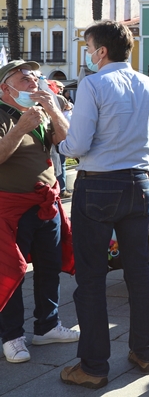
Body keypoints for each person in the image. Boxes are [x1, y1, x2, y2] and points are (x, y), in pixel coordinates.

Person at [57, 21, 149, 389]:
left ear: (101, 51)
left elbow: (77, 145)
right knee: (139, 270)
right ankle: (145, 349)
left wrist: (61, 147)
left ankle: (93, 366)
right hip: (138, 183)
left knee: (91, 276)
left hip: (99, 185)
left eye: (90, 49)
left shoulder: (93, 84)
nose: (89, 55)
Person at [0, 60, 78, 365]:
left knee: (50, 265)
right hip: (11, 208)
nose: (32, 80)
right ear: (5, 88)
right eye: (23, 77)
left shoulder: (42, 110)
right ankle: (12, 336)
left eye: (34, 76)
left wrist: (54, 109)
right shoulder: (4, 115)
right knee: (13, 272)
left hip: (46, 203)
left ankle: (47, 325)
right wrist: (21, 128)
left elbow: (68, 143)